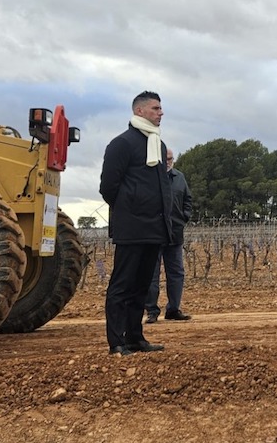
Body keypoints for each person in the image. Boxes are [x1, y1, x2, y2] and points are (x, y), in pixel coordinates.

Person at [99, 91, 173, 355]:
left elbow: (163, 188)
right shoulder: (122, 144)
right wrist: (130, 207)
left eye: (161, 109)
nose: (160, 113)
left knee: (142, 286)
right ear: (139, 111)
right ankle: (116, 341)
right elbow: (108, 187)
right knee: (122, 285)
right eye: (155, 108)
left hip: (154, 229)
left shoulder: (159, 146)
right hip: (131, 228)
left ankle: (135, 337)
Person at [144, 148, 193, 323]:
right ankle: (151, 311)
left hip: (175, 233)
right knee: (151, 273)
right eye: (166, 159)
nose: (169, 163)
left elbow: (188, 200)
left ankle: (173, 309)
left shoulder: (179, 177)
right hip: (154, 234)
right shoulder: (149, 177)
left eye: (171, 159)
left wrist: (183, 218)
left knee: (176, 272)